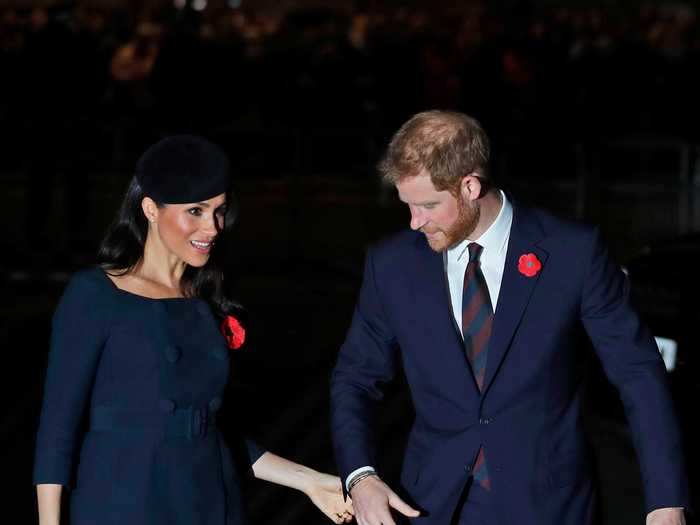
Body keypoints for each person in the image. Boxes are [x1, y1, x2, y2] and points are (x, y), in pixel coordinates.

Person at [330, 111, 688, 525]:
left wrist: (666, 500)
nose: (415, 222)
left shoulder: (573, 253)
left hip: (548, 507)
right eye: (407, 206)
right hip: (431, 505)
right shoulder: (391, 265)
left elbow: (638, 372)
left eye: (428, 205)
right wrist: (360, 476)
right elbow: (355, 377)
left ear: (470, 186)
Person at [34, 136, 354, 525]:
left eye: (219, 211)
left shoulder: (204, 300)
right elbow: (57, 432)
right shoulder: (95, 295)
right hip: (123, 503)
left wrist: (309, 481)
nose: (213, 227)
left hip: (208, 501)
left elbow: (210, 431)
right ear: (150, 208)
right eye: (196, 211)